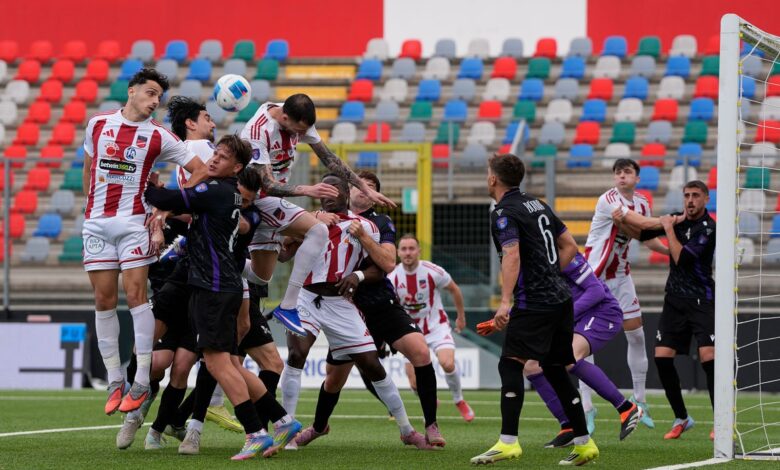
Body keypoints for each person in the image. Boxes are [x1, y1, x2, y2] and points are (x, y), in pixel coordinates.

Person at [144, 135, 301, 460]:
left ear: (238, 167)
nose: (214, 159)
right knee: (228, 362)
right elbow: (182, 205)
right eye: (215, 153)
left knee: (217, 363)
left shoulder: (216, 191)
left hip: (212, 288)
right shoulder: (227, 194)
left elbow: (167, 197)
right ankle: (282, 420)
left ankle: (255, 432)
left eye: (223, 156)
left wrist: (140, 179)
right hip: (226, 286)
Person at [81, 68, 207, 416]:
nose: (155, 101)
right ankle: (114, 381)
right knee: (103, 300)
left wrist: (167, 207)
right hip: (96, 225)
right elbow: (89, 168)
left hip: (134, 225)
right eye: (150, 93)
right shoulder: (98, 124)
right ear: (132, 91)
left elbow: (201, 170)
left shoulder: (159, 136)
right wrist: (89, 207)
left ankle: (139, 381)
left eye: (159, 97)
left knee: (136, 296)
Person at [279, 173, 433, 450]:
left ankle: (407, 430)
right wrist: (302, 226)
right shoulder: (308, 220)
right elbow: (283, 254)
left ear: (345, 193)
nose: (328, 194)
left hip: (341, 303)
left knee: (371, 365)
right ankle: (285, 427)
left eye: (335, 189)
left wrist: (358, 275)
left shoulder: (366, 227)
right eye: (324, 190)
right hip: (307, 297)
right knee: (296, 354)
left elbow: (381, 266)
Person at [471, 153, 599, 466]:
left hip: (535, 302)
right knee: (554, 369)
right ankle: (584, 443)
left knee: (510, 364)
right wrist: (551, 275)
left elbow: (511, 254)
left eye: (488, 173)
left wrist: (505, 302)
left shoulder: (504, 212)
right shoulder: (537, 204)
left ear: (493, 178)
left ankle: (508, 442)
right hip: (561, 299)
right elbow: (570, 246)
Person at [241, 94, 395, 336]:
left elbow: (329, 159)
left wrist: (364, 188)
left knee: (261, 277)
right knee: (318, 230)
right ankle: (288, 306)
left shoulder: (299, 118)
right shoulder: (258, 131)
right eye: (298, 131)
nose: (301, 136)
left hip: (271, 200)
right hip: (256, 198)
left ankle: (220, 256)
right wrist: (307, 190)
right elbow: (267, 185)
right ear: (284, 118)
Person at [480, 252, 642, 448]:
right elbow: (531, 303)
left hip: (601, 312)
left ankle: (626, 408)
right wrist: (502, 318)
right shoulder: (532, 263)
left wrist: (564, 316)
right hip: (571, 317)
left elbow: (596, 291)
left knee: (568, 358)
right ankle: (569, 426)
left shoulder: (561, 253)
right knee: (532, 367)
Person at [612, 180, 716, 440]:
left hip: (701, 299)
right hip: (674, 301)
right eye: (686, 195)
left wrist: (668, 227)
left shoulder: (708, 227)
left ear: (706, 199)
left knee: (709, 358)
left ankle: (721, 420)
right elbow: (644, 236)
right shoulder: (678, 220)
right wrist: (621, 222)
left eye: (695, 195)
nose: (690, 200)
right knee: (662, 357)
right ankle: (682, 418)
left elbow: (681, 257)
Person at [581, 158, 668, 432]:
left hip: (620, 276)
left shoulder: (642, 202)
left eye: (627, 172)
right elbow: (640, 224)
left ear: (637, 178)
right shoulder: (608, 199)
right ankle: (586, 407)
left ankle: (640, 401)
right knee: (581, 341)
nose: (621, 176)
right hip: (593, 277)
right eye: (617, 172)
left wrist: (671, 252)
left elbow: (645, 234)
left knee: (637, 334)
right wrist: (671, 222)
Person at [389, 234, 474, 422]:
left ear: (419, 251)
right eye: (404, 249)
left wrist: (461, 317)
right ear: (398, 252)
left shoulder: (433, 271)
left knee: (447, 363)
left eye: (412, 248)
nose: (408, 253)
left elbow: (454, 289)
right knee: (414, 383)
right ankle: (430, 399)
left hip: (436, 327)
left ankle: (459, 400)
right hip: (409, 331)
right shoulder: (392, 277)